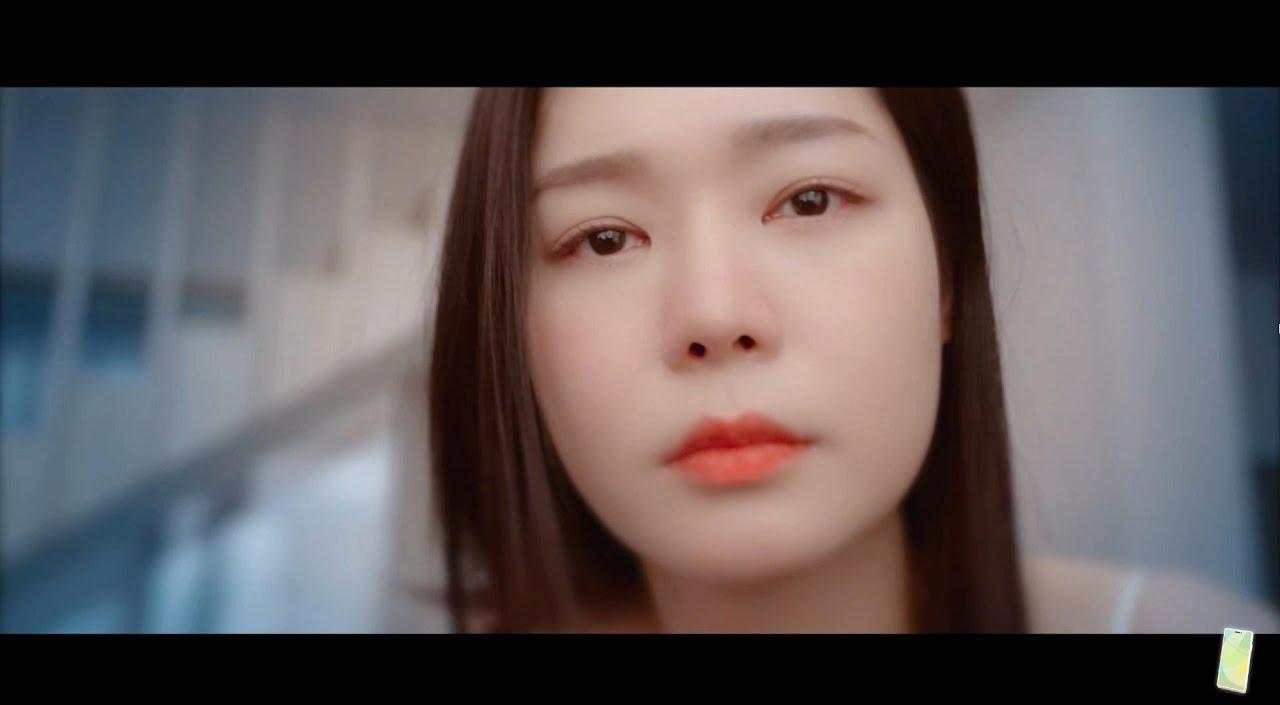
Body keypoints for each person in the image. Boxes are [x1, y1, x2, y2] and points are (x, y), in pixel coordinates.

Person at [426, 87, 1279, 634]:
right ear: (511, 330)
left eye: (809, 199)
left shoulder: (1210, 638)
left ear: (947, 279)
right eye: (604, 239)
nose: (715, 316)